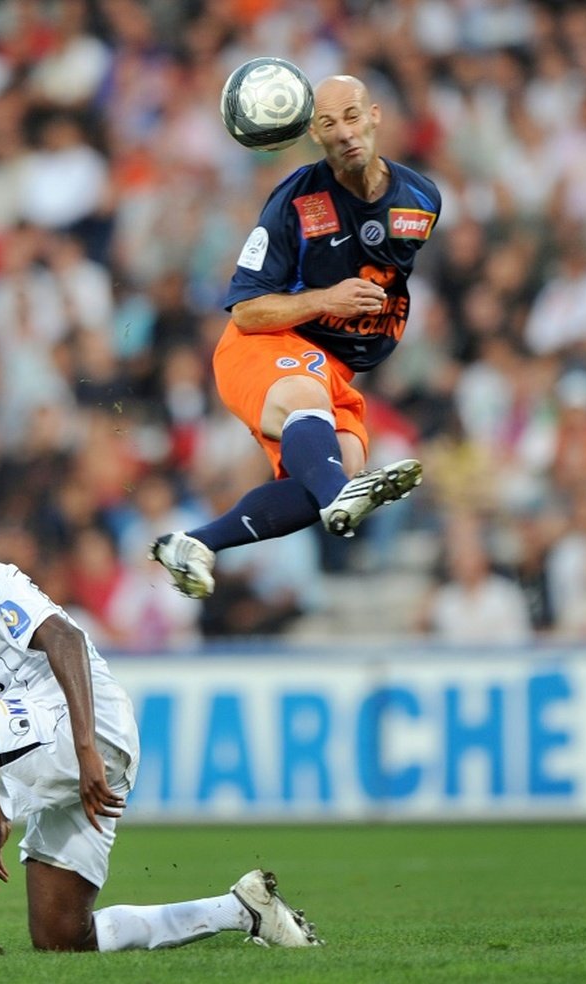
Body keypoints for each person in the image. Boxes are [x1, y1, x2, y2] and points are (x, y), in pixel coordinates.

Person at [0, 500, 319, 960]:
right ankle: (240, 910)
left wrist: (84, 749)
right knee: (62, 936)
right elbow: (12, 724)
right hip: (76, 737)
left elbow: (66, 638)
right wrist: (3, 813)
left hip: (84, 728)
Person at [151, 74, 441, 598]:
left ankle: (193, 543)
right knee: (323, 447)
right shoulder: (295, 203)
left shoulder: (421, 200)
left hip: (332, 367)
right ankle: (338, 500)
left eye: (353, 116)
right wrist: (328, 300)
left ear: (375, 115)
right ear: (314, 135)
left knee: (338, 470)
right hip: (265, 345)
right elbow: (246, 310)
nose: (346, 133)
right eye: (329, 124)